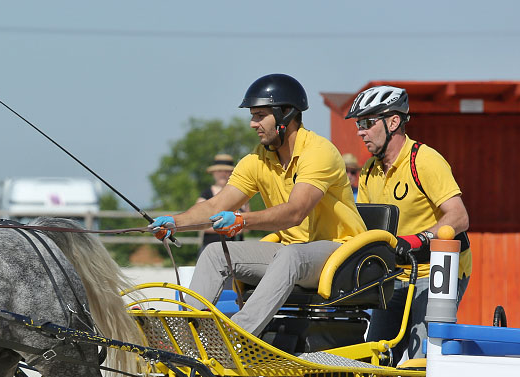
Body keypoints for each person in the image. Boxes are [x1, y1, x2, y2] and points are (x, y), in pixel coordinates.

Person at [151, 73, 366, 336]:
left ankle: (236, 337)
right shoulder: (257, 159)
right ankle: (186, 338)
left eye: (260, 115)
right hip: (292, 254)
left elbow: (295, 212)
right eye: (253, 115)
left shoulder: (319, 152)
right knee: (215, 254)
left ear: (286, 114)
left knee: (290, 255)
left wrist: (243, 221)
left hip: (340, 253)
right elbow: (217, 204)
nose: (253, 124)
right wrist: (176, 222)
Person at [347, 85, 472, 363]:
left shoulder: (424, 160)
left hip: (436, 271)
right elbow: (366, 228)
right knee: (376, 355)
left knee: (421, 357)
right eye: (358, 124)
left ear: (393, 122)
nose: (360, 131)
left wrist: (418, 239)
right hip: (395, 273)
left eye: (367, 123)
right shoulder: (368, 170)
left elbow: (459, 216)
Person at [197, 154, 248, 250]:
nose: (223, 174)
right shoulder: (205, 195)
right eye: (219, 171)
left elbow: (248, 224)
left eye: (227, 171)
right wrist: (228, 228)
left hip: (236, 248)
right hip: (212, 247)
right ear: (214, 173)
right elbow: (199, 223)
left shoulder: (242, 195)